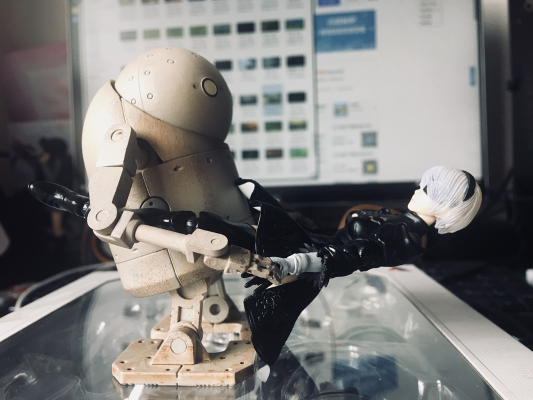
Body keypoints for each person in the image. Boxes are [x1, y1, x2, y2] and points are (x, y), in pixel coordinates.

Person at [239, 166, 482, 366]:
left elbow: (351, 257)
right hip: (318, 243)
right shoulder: (399, 221)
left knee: (249, 240)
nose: (417, 191)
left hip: (317, 258)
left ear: (444, 205)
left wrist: (295, 263)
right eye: (422, 186)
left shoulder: (405, 240)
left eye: (427, 191)